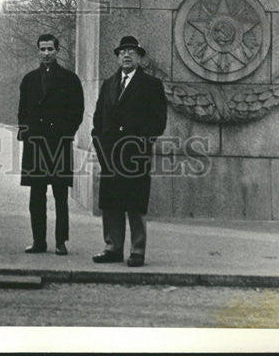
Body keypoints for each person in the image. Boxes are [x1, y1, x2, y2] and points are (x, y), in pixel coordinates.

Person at [91, 34, 167, 267]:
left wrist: (142, 144)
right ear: (117, 57)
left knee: (135, 205)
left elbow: (158, 121)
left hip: (135, 155)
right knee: (111, 203)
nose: (126, 55)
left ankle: (137, 250)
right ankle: (112, 248)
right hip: (110, 154)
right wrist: (99, 144)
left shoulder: (151, 85)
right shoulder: (109, 84)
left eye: (132, 52)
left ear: (140, 58)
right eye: (122, 52)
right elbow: (98, 119)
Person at [18, 33, 84, 256]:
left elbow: (77, 112)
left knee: (60, 196)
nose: (46, 53)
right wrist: (26, 134)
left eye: (50, 49)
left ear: (58, 51)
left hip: (59, 144)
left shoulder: (70, 79)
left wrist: (66, 134)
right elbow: (22, 111)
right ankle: (38, 241)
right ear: (38, 51)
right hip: (35, 145)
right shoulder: (29, 80)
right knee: (36, 196)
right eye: (42, 49)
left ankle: (60, 241)